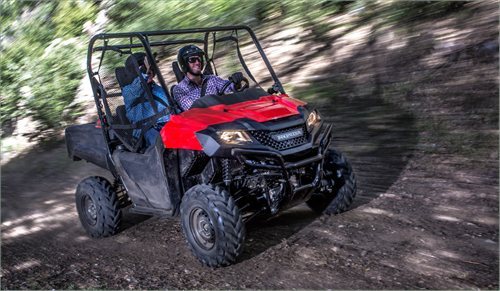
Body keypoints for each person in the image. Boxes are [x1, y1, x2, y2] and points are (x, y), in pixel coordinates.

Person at [172, 45, 245, 111]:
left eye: (199, 59)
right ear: (184, 64)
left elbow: (228, 87)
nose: (197, 63)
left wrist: (236, 83)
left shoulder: (212, 79)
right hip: (204, 123)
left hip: (224, 117)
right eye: (192, 60)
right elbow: (193, 111)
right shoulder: (179, 90)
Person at [121, 52, 170, 147]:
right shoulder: (128, 91)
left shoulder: (157, 88)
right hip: (147, 130)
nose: (151, 71)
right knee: (163, 144)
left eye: (152, 68)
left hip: (168, 125)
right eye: (148, 68)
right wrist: (143, 74)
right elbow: (136, 88)